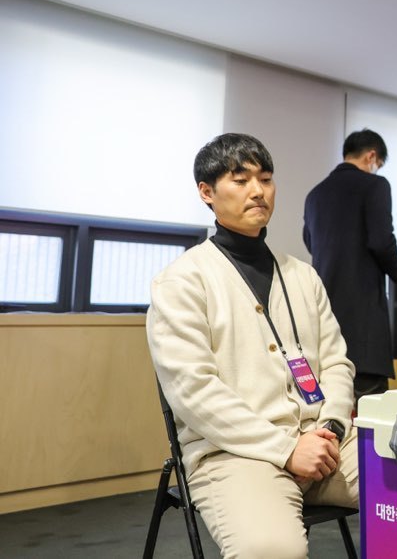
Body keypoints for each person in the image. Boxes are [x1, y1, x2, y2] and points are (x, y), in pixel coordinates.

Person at [147, 133, 358, 559]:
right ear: (206, 193)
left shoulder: (303, 275)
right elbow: (195, 392)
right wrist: (285, 449)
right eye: (240, 180)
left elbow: (336, 363)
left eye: (265, 178)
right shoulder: (182, 281)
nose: (258, 190)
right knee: (271, 551)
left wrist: (331, 430)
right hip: (234, 454)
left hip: (324, 443)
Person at [303, 129, 397, 404]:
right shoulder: (375, 185)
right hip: (364, 326)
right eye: (379, 164)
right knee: (370, 416)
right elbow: (381, 240)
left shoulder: (315, 195)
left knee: (330, 414)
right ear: (372, 156)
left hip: (324, 323)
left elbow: (310, 242)